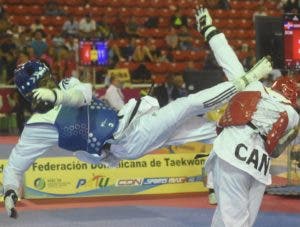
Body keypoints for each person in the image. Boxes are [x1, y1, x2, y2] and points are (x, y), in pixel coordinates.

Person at [2, 47, 271, 217]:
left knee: (205, 130)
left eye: (50, 78)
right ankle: (246, 80)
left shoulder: (66, 85)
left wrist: (56, 94)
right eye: (45, 82)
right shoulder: (38, 127)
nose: (51, 83)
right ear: (30, 94)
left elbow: (82, 94)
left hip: (132, 123)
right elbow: (16, 164)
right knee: (185, 105)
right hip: (125, 141)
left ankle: (256, 132)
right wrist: (10, 191)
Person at [195, 7, 300, 227]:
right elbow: (284, 144)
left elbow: (229, 61)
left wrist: (210, 30)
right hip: (259, 165)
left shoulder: (254, 86)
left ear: (274, 85)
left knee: (230, 218)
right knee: (240, 220)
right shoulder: (293, 115)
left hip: (232, 152)